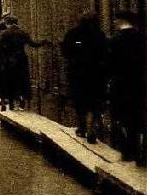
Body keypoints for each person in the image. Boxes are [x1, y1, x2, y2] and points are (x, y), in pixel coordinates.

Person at [61, 12, 108, 143]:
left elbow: (65, 52)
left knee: (80, 102)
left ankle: (82, 128)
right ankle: (92, 127)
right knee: (95, 102)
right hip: (96, 75)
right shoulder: (100, 35)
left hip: (77, 75)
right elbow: (106, 54)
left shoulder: (72, 34)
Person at [108, 11, 146, 165]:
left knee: (123, 117)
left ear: (120, 21)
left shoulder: (115, 40)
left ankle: (129, 150)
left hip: (121, 84)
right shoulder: (142, 38)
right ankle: (140, 152)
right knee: (139, 116)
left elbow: (109, 64)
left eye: (115, 19)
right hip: (140, 83)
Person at [0, 16, 49, 111]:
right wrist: (44, 42)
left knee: (10, 81)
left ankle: (12, 104)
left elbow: (0, 48)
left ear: (8, 23)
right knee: (22, 80)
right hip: (21, 60)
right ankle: (22, 102)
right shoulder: (23, 32)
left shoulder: (5, 34)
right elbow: (33, 44)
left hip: (9, 61)